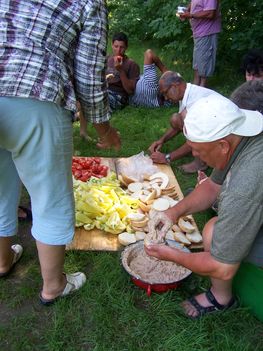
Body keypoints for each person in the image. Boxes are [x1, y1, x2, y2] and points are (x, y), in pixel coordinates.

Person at [0, 0, 119, 304]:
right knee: (50, 197)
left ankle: (2, 261)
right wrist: (104, 130)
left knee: (0, 191)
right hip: (36, 96)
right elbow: (90, 76)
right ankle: (54, 286)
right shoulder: (89, 2)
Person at [145, 94, 263, 319]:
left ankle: (220, 300)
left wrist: (171, 255)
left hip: (249, 198)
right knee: (212, 229)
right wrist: (172, 213)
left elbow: (222, 267)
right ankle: (222, 296)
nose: (195, 155)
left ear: (222, 145)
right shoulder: (241, 137)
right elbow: (211, 187)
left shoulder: (245, 183)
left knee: (214, 234)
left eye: (198, 150)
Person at [148, 71, 221, 173]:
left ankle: (201, 163)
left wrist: (167, 157)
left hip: (223, 136)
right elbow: (179, 124)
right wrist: (162, 140)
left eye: (165, 92)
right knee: (176, 118)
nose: (165, 97)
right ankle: (200, 152)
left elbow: (196, 138)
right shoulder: (187, 92)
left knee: (185, 122)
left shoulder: (194, 102)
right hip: (213, 130)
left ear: (175, 86)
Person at [179, 0, 221, 87]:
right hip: (198, 33)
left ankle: (201, 94)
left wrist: (190, 15)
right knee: (197, 67)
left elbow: (210, 13)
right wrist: (186, 10)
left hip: (207, 33)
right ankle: (194, 92)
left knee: (204, 71)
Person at [106, 32, 140, 111]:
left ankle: (79, 116)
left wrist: (120, 70)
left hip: (118, 96)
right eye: (116, 46)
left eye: (122, 47)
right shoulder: (107, 59)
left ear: (126, 48)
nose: (118, 50)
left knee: (101, 100)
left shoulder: (131, 64)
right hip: (104, 90)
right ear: (112, 45)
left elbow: (130, 90)